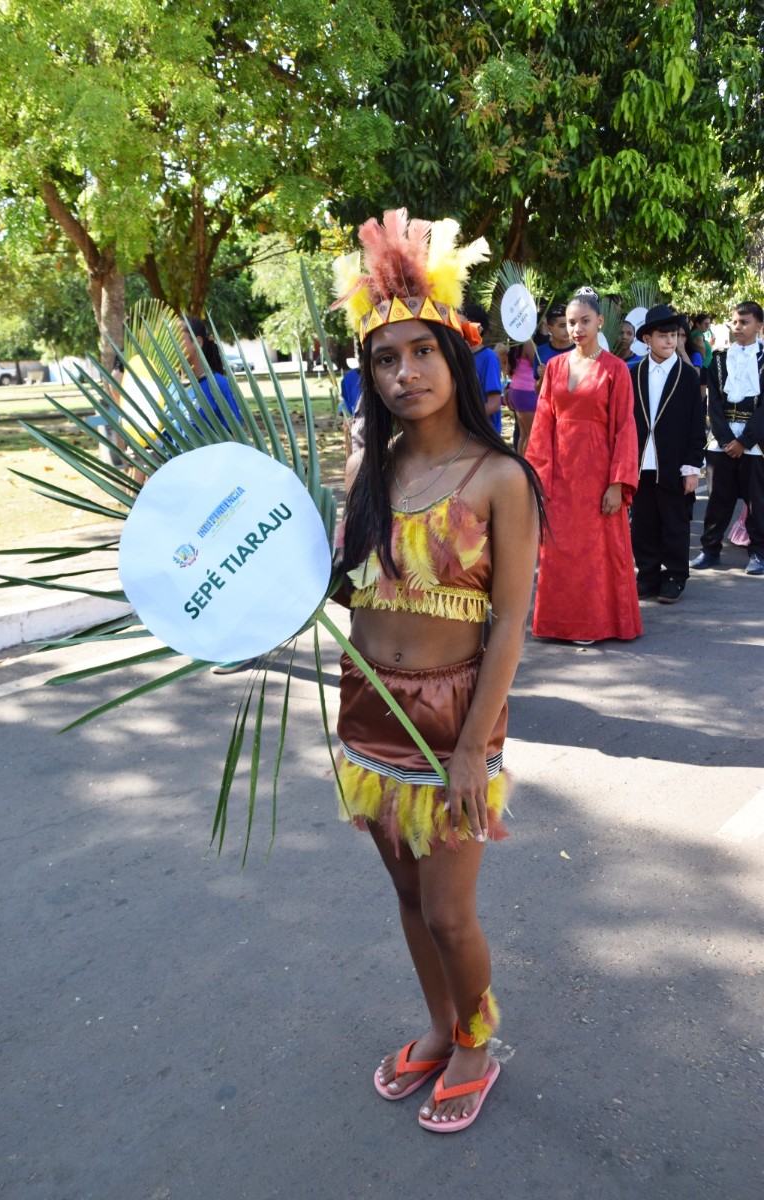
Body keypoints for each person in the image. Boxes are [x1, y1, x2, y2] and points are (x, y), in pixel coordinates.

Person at [331, 210, 543, 1132]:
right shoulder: (368, 473)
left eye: (421, 352)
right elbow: (349, 596)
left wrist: (472, 752)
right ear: (369, 374)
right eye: (386, 359)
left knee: (452, 913)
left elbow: (507, 627)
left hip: (453, 721)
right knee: (408, 898)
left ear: (456, 359)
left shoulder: (498, 477)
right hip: (369, 712)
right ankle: (436, 1021)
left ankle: (476, 1043)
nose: (404, 373)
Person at [526, 287, 642, 643]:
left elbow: (625, 428)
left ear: (600, 322)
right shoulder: (555, 367)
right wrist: (536, 476)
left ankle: (593, 623)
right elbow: (543, 422)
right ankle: (557, 622)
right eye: (572, 322)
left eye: (585, 321)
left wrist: (617, 483)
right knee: (558, 547)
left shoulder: (616, 369)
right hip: (559, 472)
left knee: (595, 549)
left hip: (598, 473)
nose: (577, 329)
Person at [629, 305, 704, 603]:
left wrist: (691, 467)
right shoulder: (633, 374)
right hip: (641, 462)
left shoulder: (687, 375)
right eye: (663, 336)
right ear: (647, 339)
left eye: (674, 335)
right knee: (644, 520)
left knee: (675, 521)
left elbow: (696, 423)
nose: (670, 341)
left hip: (673, 463)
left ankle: (674, 575)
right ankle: (647, 574)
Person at [691, 301, 764, 576]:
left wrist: (744, 441)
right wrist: (724, 440)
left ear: (759, 326)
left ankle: (758, 553)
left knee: (757, 501)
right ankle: (710, 550)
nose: (738, 327)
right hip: (722, 441)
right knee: (718, 499)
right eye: (734, 322)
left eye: (744, 322)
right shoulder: (719, 359)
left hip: (754, 441)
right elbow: (714, 404)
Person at [182, 316, 243, 433]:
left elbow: (234, 438)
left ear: (197, 342)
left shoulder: (220, 386)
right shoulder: (170, 388)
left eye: (175, 338)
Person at [461, 303, 503, 434]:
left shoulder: (489, 357)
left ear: (477, 328)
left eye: (462, 325)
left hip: (485, 433)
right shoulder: (458, 356)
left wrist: (466, 419)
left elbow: (494, 404)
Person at [505, 339, 538, 456]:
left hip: (516, 390)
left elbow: (508, 371)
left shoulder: (514, 344)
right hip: (527, 392)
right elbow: (537, 364)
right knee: (531, 434)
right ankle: (528, 466)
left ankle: (522, 464)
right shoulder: (528, 343)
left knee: (523, 434)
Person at [534, 303, 573, 390]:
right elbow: (537, 391)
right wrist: (542, 378)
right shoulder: (540, 352)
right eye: (562, 326)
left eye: (570, 324)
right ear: (549, 328)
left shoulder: (581, 349)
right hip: (550, 403)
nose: (567, 330)